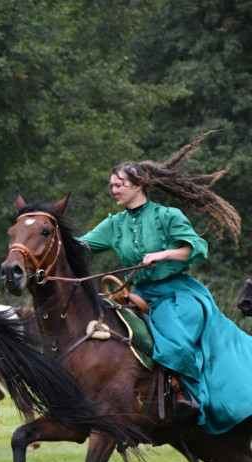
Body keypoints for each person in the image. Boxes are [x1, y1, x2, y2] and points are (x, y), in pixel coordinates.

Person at [77, 134, 252, 434]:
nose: (113, 189)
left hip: (178, 293)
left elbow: (196, 247)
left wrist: (163, 254)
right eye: (111, 185)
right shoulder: (114, 224)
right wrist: (42, 235)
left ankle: (188, 397)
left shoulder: (167, 216)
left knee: (173, 338)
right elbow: (81, 246)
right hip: (140, 295)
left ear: (138, 184)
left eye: (119, 184)